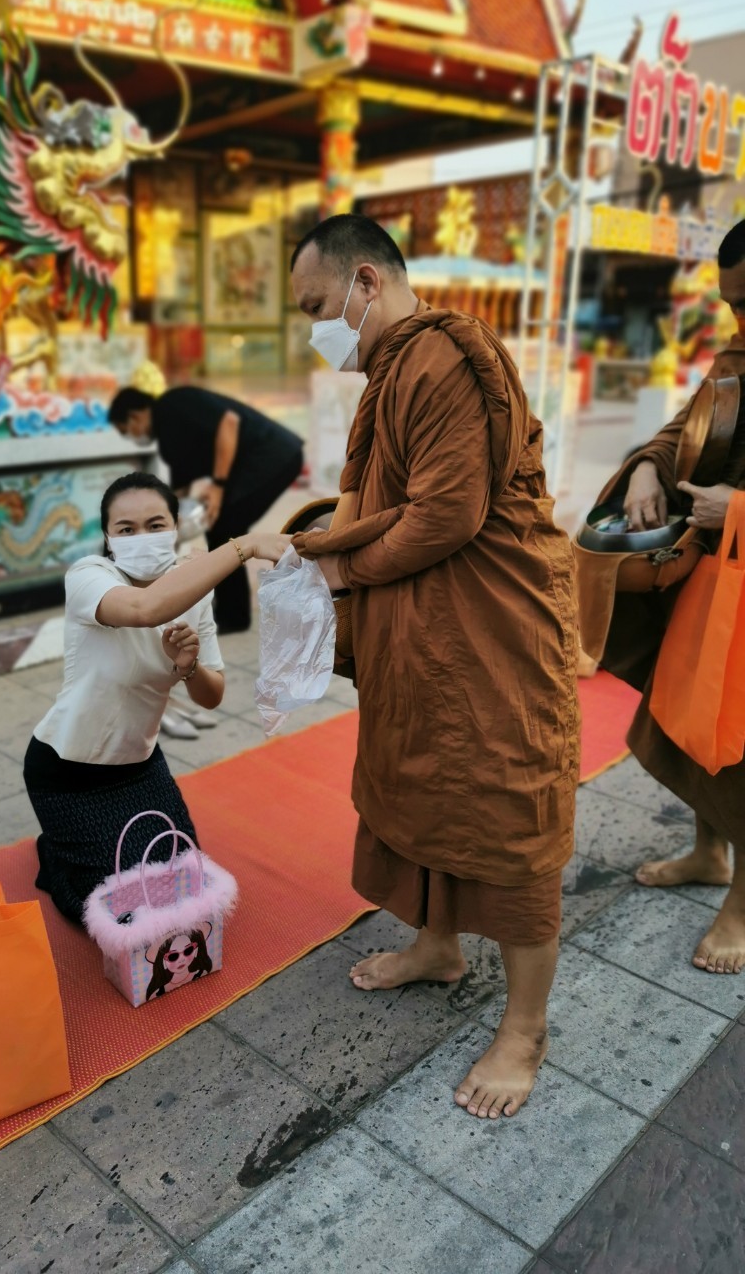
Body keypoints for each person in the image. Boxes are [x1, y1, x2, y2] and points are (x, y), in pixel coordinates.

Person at [288, 214, 580, 1120]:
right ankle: (439, 946)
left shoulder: (441, 360)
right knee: (418, 785)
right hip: (429, 641)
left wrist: (341, 565)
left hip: (491, 643)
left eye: (315, 305)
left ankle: (525, 1027)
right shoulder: (396, 366)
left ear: (365, 282)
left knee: (504, 812)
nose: (313, 328)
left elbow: (447, 515)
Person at [23, 471, 287, 923]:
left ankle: (69, 844)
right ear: (108, 538)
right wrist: (243, 546)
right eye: (126, 529)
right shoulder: (90, 576)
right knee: (119, 915)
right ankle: (56, 856)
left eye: (155, 524)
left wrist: (188, 666)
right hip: (68, 769)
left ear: (176, 526)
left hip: (141, 764)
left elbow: (212, 694)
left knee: (184, 892)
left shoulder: (192, 586)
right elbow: (144, 610)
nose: (141, 537)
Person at [595, 218, 745, 974]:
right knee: (682, 721)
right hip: (715, 581)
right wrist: (647, 468)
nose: (740, 321)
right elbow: (681, 432)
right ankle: (707, 849)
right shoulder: (736, 358)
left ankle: (743, 899)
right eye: (733, 305)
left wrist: (740, 510)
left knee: (743, 746)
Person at [108, 385, 304, 632]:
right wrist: (162, 530)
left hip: (272, 454)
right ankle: (230, 612)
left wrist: (219, 486)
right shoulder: (168, 441)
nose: (132, 437)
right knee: (220, 525)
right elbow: (179, 494)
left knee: (225, 526)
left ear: (135, 416)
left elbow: (229, 423)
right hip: (254, 463)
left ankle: (234, 616)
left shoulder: (173, 403)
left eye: (127, 431)